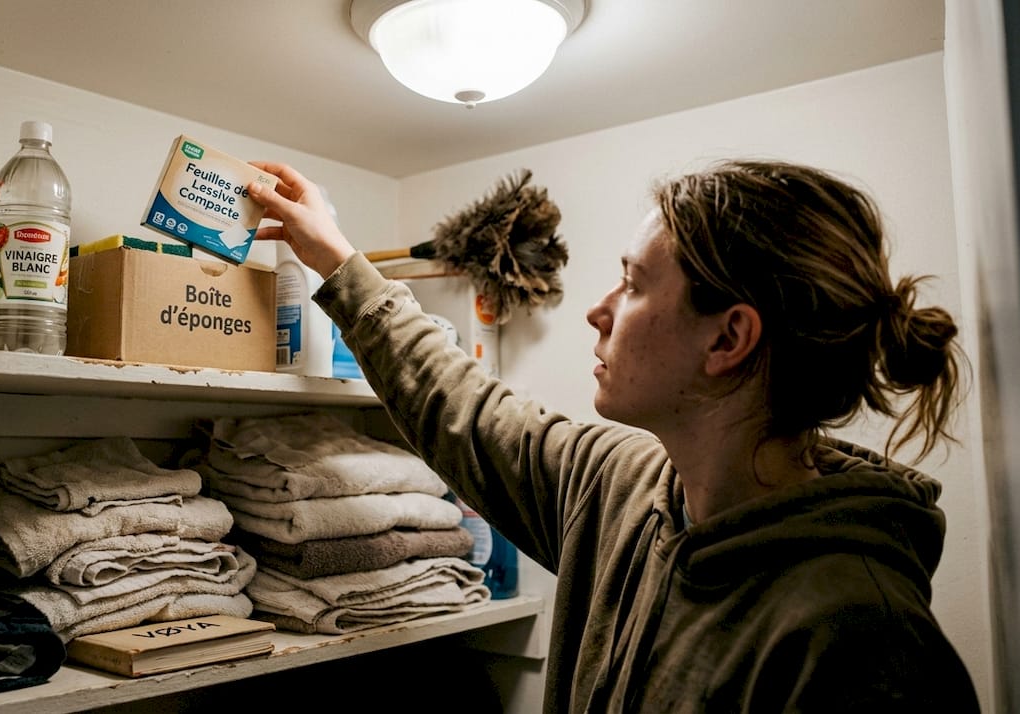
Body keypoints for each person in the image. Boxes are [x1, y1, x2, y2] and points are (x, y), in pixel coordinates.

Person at [244, 159, 981, 713]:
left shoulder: (861, 638)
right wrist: (336, 260)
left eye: (631, 285)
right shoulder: (623, 483)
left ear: (728, 338)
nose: (600, 312)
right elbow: (458, 400)